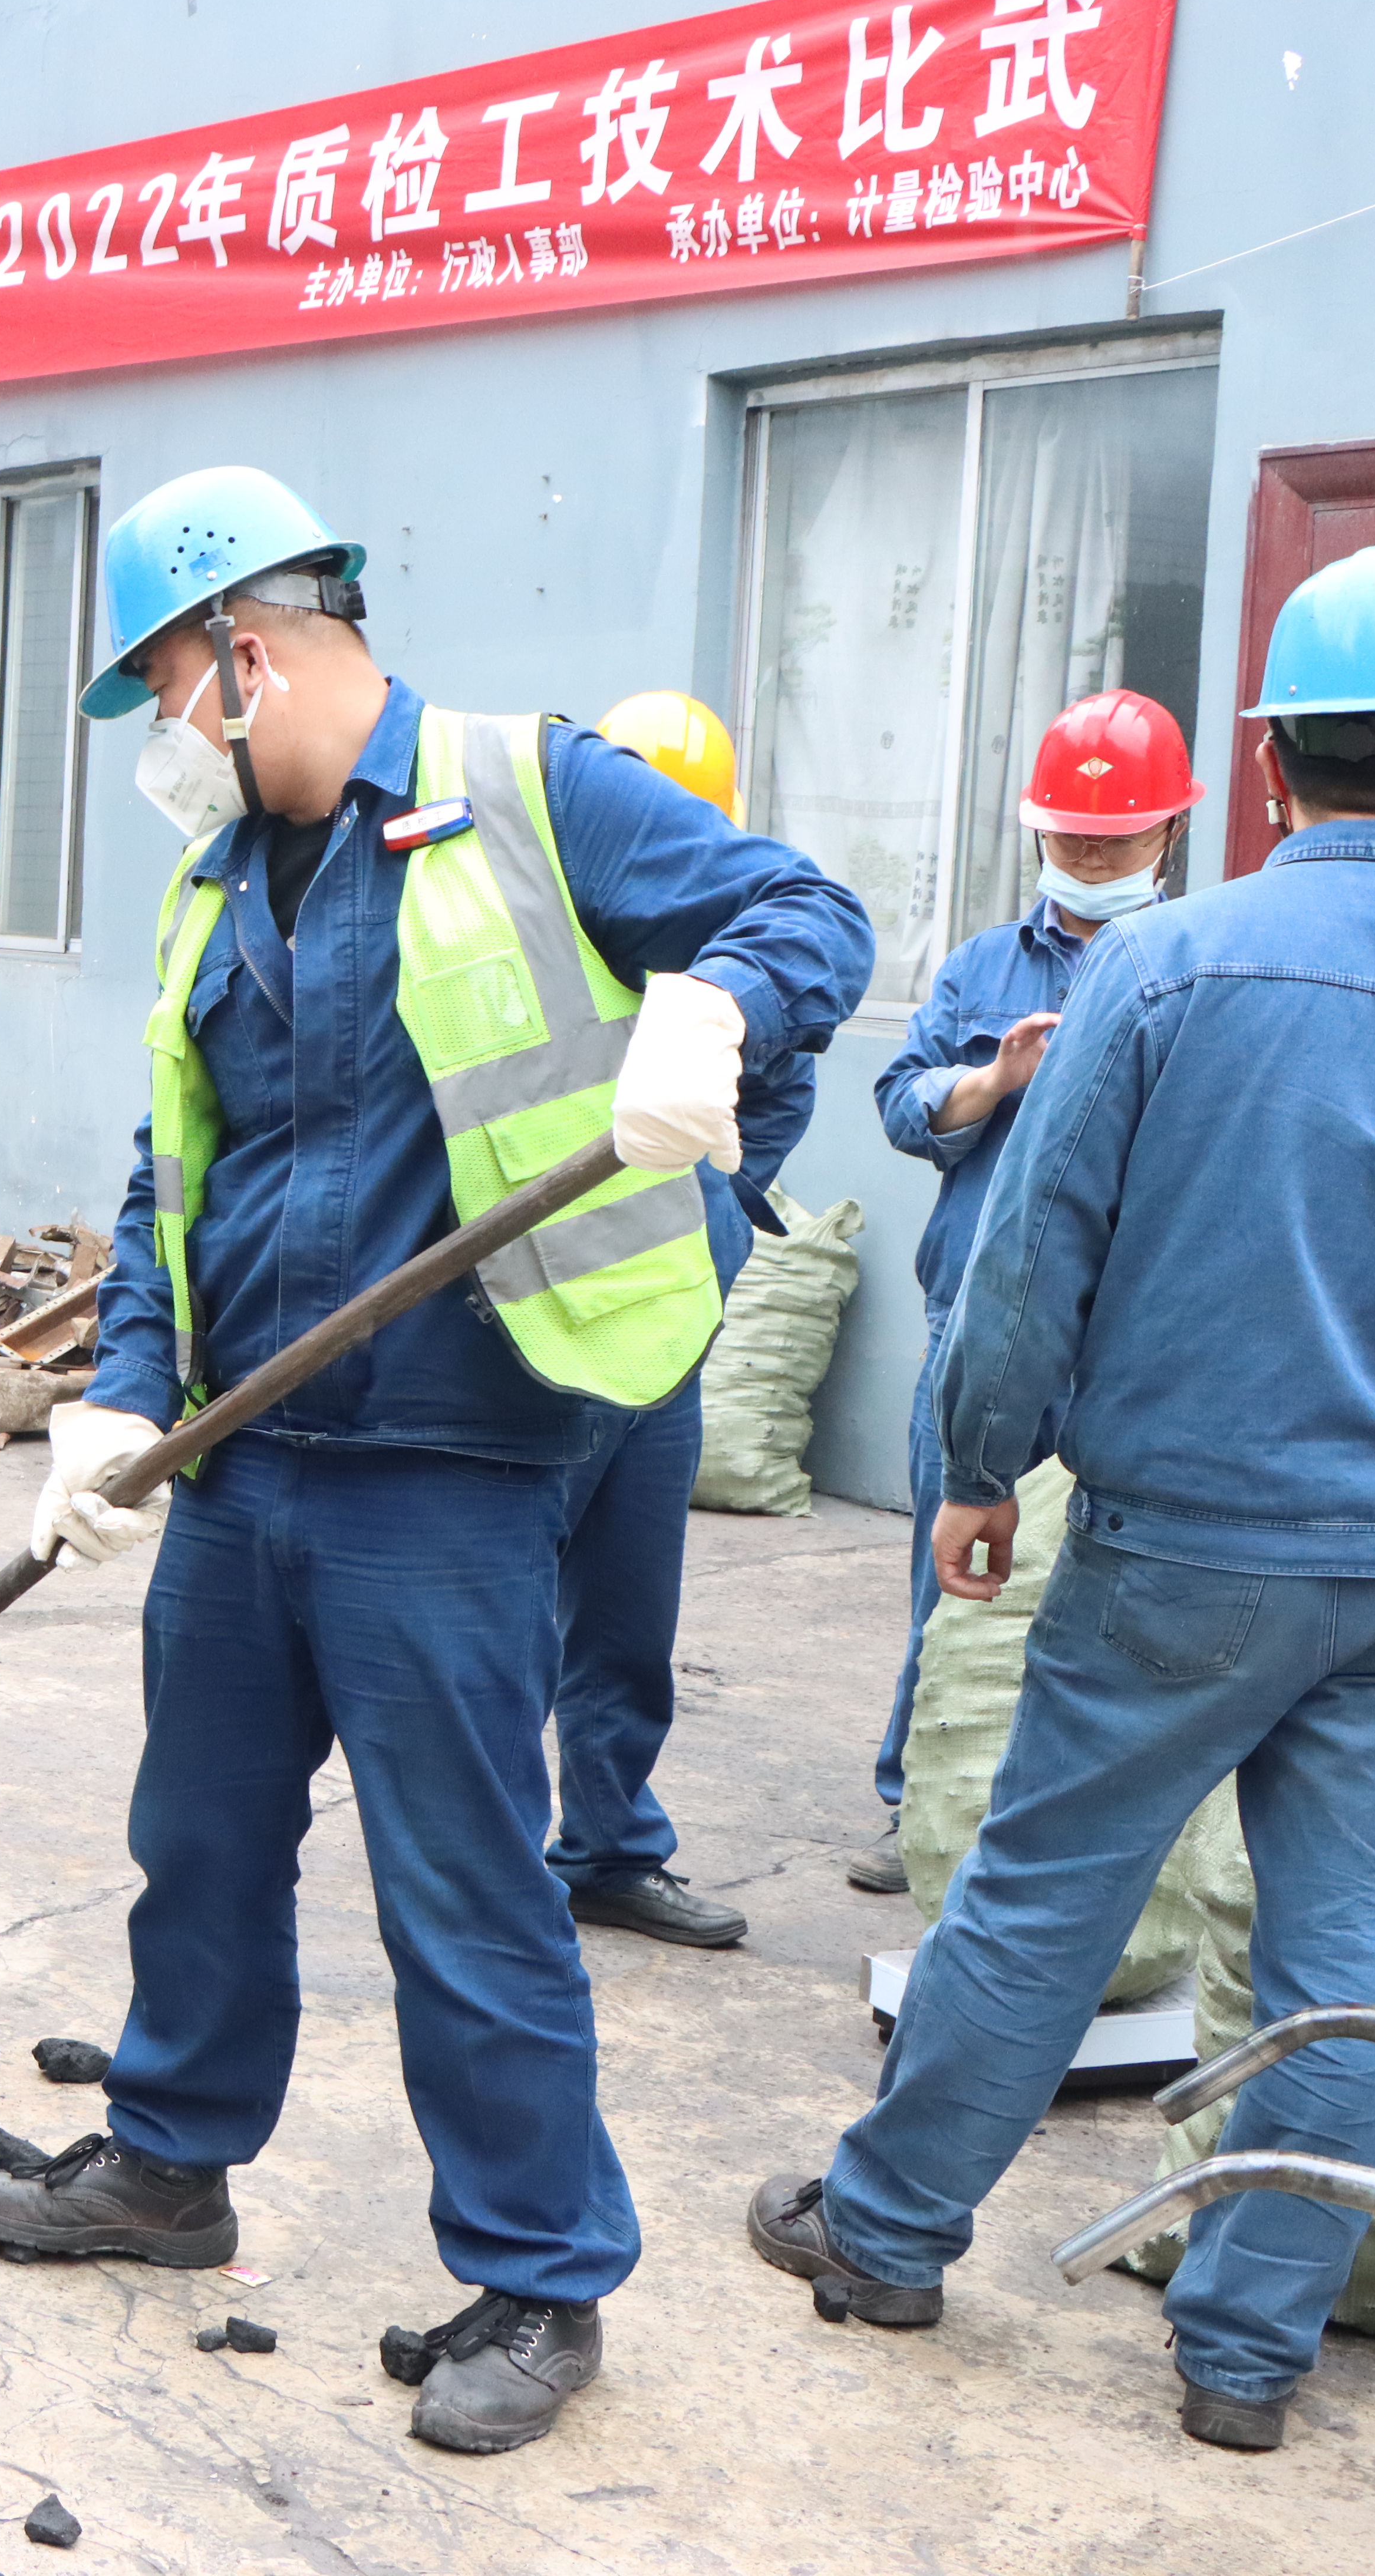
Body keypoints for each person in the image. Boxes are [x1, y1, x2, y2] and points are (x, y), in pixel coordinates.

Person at [0, 468, 867, 2456]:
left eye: (162, 695)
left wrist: (717, 998)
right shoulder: (220, 889)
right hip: (241, 1461)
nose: (159, 751)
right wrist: (120, 1391)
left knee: (463, 1888)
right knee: (195, 1841)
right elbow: (171, 1169)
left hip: (447, 1462)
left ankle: (543, 2281)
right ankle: (169, 2170)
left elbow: (810, 911)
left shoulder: (536, 794)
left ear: (249, 656)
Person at [747, 545, 1375, 2453]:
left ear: (1267, 777)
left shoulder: (1161, 970)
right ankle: (1246, 2360)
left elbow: (1034, 1264)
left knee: (1041, 1904)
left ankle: (889, 2233)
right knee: (1344, 1980)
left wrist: (977, 1471)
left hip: (1182, 1551)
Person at [843, 688, 1202, 1895]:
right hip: (976, 1336)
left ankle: (1080, 1831)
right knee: (951, 1582)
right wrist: (994, 1081)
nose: (1092, 860)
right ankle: (919, 1805)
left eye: (1117, 842)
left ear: (1170, 837)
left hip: (1132, 1348)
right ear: (1038, 833)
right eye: (1072, 842)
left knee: (1113, 1602)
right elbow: (900, 1106)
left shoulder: (1198, 964)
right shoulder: (986, 968)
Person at [542, 692, 822, 1950]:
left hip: (663, 1339)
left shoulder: (737, 967)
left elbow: (775, 1109)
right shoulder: (540, 947)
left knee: (628, 1609)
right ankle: (483, 1864)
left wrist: (700, 1199)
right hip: (540, 1330)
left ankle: (606, 1847)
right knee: (493, 1603)